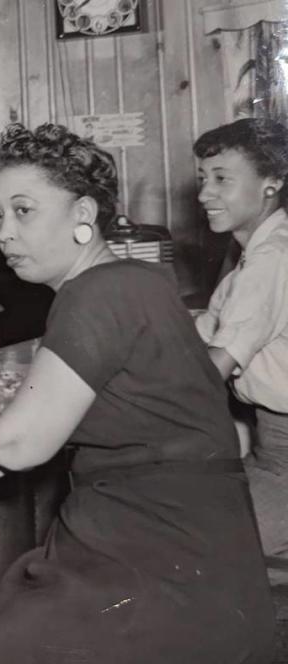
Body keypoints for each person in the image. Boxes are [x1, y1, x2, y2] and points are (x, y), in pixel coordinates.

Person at [0, 123, 274, 663]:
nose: (4, 232)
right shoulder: (137, 280)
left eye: (24, 211)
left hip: (155, 569)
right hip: (193, 560)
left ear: (84, 216)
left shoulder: (96, 293)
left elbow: (21, 444)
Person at [193, 117, 288, 584]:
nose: (204, 194)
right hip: (270, 449)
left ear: (272, 183)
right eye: (202, 179)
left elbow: (210, 370)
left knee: (189, 548)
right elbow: (197, 335)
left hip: (285, 462)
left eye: (222, 179)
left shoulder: (271, 260)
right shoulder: (250, 257)